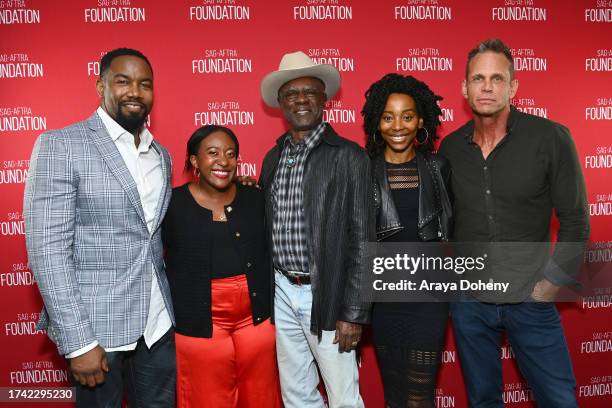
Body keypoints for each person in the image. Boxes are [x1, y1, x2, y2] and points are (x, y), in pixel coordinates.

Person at [439, 38, 589, 408]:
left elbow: (576, 222)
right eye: (478, 78)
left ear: (513, 86)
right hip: (470, 302)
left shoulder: (550, 138)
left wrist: (550, 287)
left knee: (558, 400)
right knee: (483, 400)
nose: (486, 86)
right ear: (464, 88)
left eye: (496, 78)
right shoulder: (451, 148)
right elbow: (447, 223)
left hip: (530, 299)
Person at [23, 48, 175, 407]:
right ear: (100, 86)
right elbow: (48, 252)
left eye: (144, 84)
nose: (135, 92)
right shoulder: (62, 145)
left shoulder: (161, 155)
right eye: (122, 81)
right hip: (98, 332)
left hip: (157, 326)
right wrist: (79, 341)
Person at [259, 51, 374, 408]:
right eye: (291, 93)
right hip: (281, 289)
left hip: (327, 293)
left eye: (310, 91)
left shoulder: (348, 156)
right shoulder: (273, 157)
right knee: (296, 394)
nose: (301, 100)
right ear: (280, 103)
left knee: (343, 398)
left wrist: (352, 312)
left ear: (325, 99)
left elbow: (363, 240)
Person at [162, 125, 280, 408]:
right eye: (212, 153)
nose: (223, 161)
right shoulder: (171, 203)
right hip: (200, 323)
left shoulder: (255, 197)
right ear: (194, 161)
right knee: (206, 399)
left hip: (256, 320)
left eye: (230, 154)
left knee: (262, 397)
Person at [361, 73, 452, 408]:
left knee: (420, 396)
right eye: (388, 116)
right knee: (395, 395)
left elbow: (451, 231)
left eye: (407, 116)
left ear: (421, 121)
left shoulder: (437, 167)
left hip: (428, 302)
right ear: (376, 123)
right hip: (384, 302)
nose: (397, 125)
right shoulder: (363, 170)